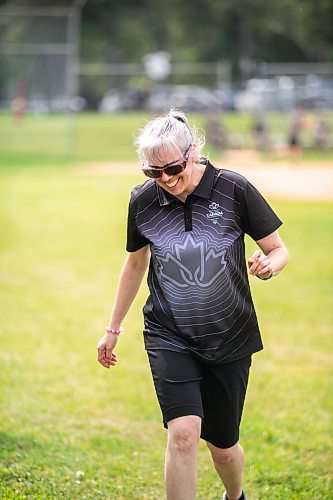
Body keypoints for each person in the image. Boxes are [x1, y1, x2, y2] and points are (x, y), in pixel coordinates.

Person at [97, 110, 289, 500]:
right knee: (183, 435)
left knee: (222, 447)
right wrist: (112, 328)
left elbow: (278, 248)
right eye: (154, 172)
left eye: (173, 167)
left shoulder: (233, 189)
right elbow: (136, 263)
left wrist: (270, 264)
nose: (165, 179)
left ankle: (235, 496)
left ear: (193, 151)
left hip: (229, 335)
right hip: (169, 333)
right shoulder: (143, 201)